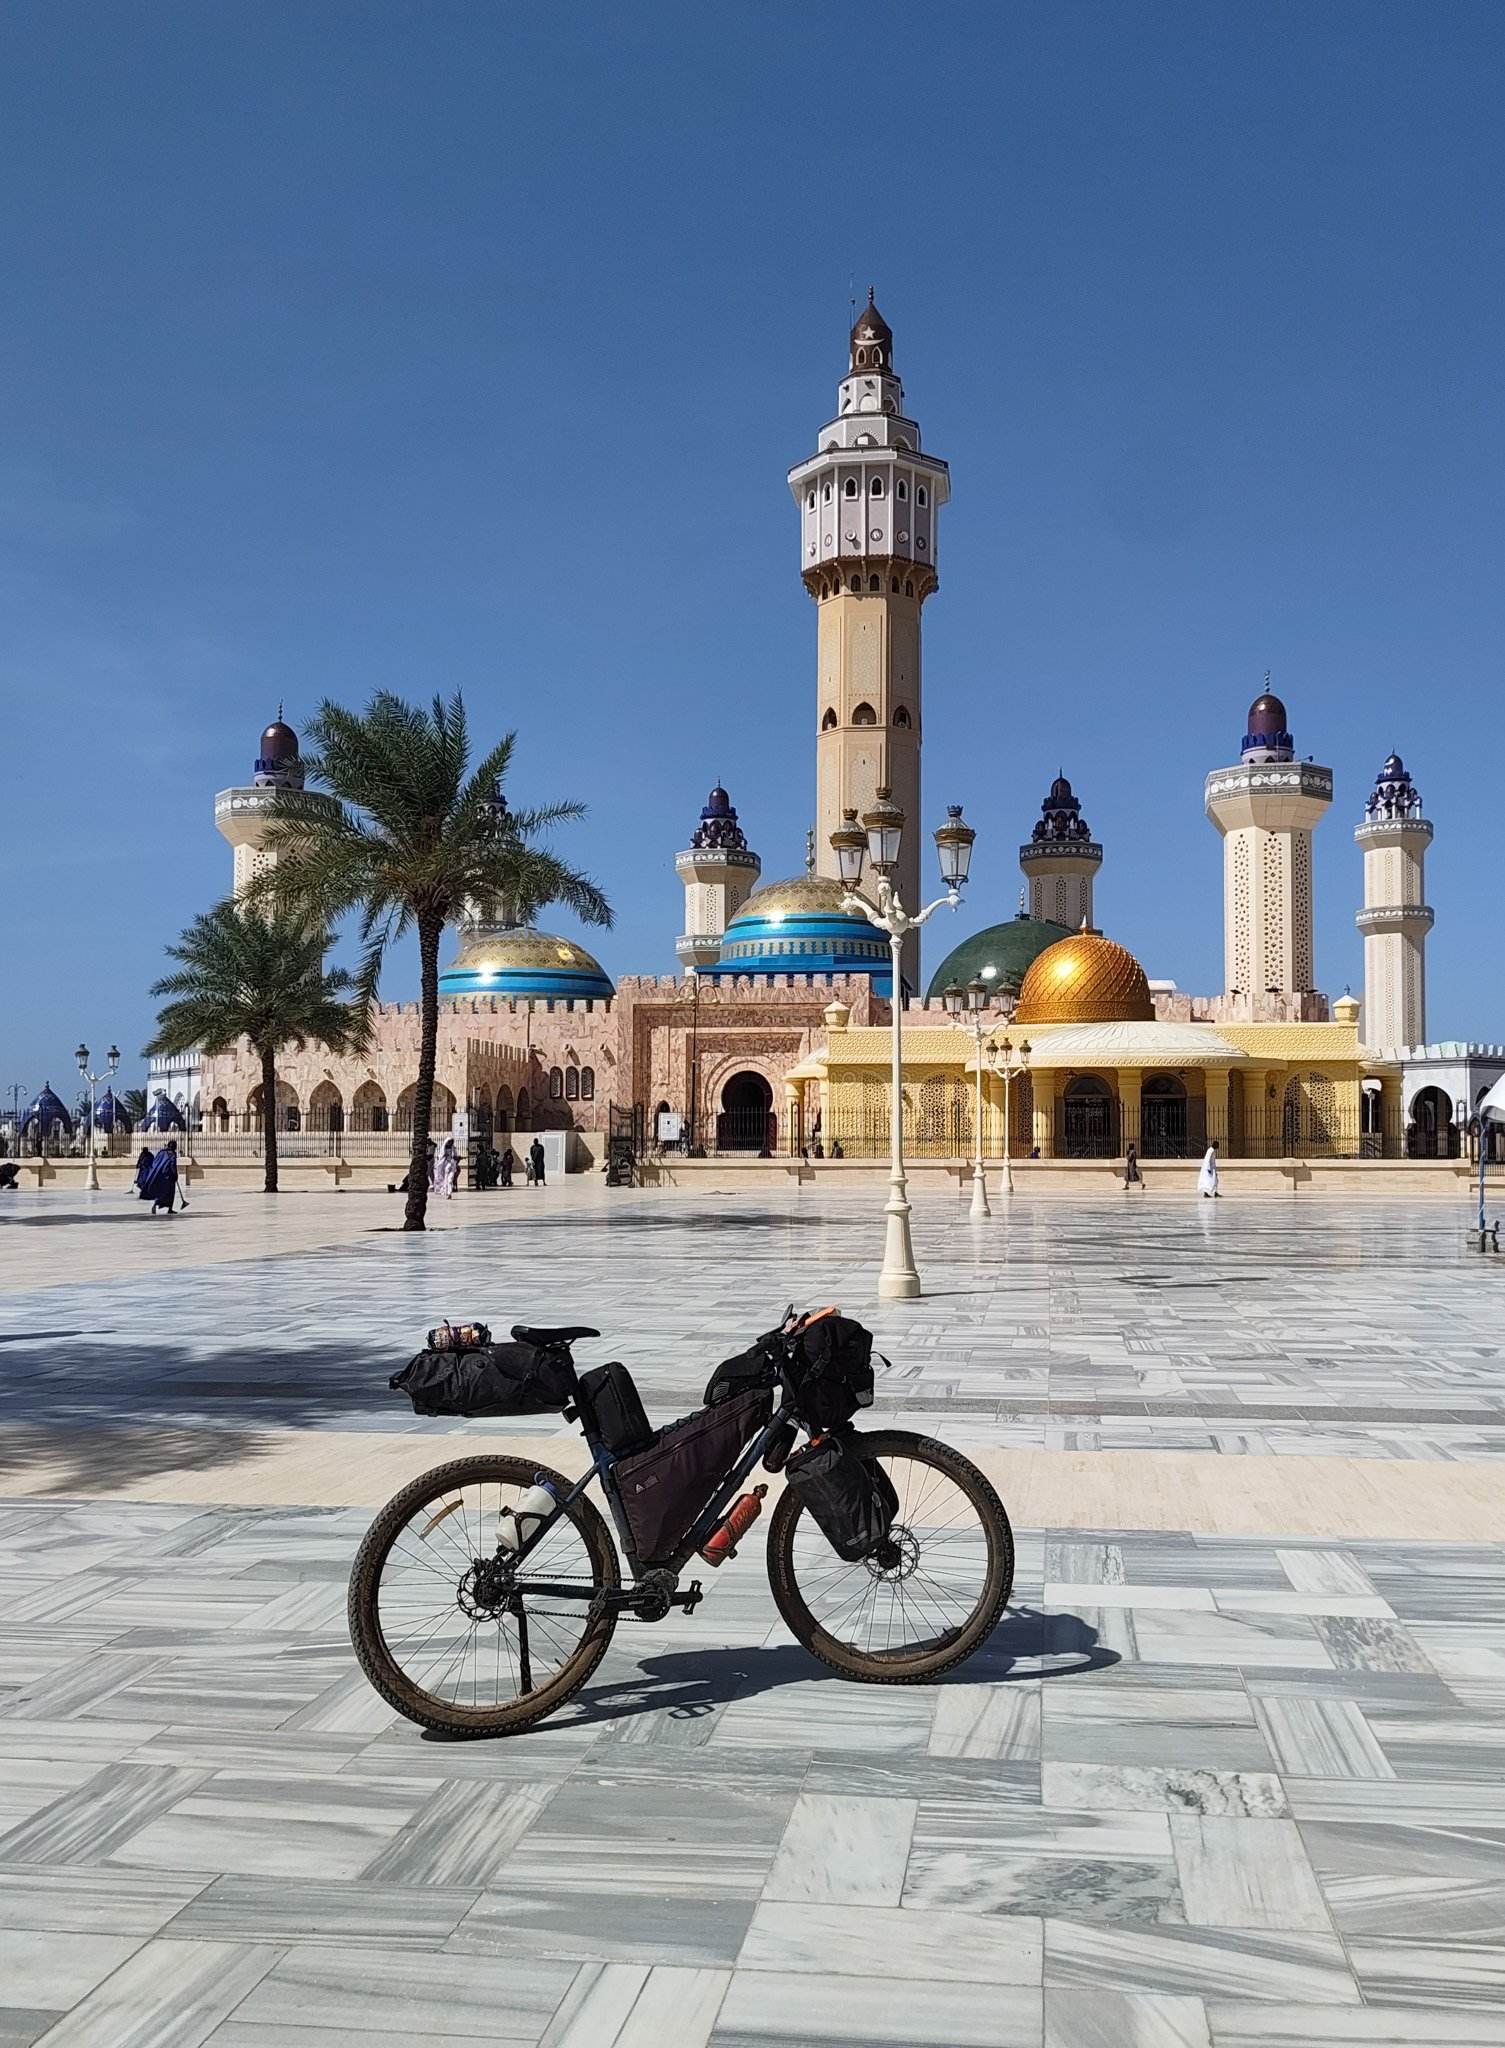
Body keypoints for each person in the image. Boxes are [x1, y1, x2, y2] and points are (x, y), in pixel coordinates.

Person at [138, 1139, 185, 1215]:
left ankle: (156, 1205)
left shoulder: (161, 1152)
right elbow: (173, 1165)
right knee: (170, 1192)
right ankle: (169, 1209)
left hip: (160, 1175)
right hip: (168, 1176)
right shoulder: (172, 1154)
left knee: (161, 1191)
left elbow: (156, 1162)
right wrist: (175, 1175)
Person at [432, 1136, 460, 1200]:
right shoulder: (443, 1149)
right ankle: (447, 1192)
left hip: (452, 1166)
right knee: (446, 1180)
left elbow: (455, 1156)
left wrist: (455, 1158)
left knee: (450, 1180)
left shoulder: (454, 1149)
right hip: (446, 1166)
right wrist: (444, 1157)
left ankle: (449, 1193)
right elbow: (440, 1158)